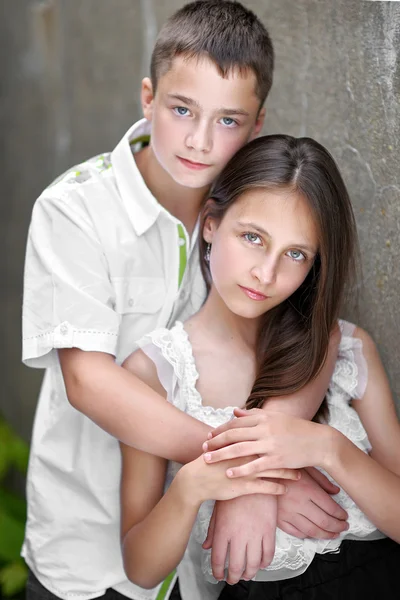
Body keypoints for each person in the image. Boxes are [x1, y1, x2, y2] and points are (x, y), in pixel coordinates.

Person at [22, 3, 345, 600]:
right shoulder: (75, 210)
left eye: (228, 121)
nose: (200, 141)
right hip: (89, 551)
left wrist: (258, 466)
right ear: (148, 98)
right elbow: (89, 382)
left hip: (208, 561)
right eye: (181, 110)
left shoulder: (253, 216)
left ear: (257, 123)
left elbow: (322, 330)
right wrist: (254, 472)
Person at [119, 134, 400, 600]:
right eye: (253, 238)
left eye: (295, 254)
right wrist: (196, 486)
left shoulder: (347, 348)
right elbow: (141, 568)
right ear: (210, 223)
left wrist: (327, 448)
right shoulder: (156, 372)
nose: (265, 274)